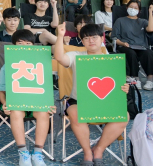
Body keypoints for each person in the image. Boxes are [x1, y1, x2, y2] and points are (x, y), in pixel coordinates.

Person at [53, 23, 130, 165]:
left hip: (106, 101)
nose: (91, 41)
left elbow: (118, 84)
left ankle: (99, 149)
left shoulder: (112, 60)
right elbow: (59, 57)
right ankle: (87, 152)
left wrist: (124, 88)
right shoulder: (76, 56)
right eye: (86, 38)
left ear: (102, 39)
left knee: (124, 116)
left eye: (94, 37)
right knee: (75, 114)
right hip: (79, 100)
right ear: (82, 41)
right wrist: (60, 36)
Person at [0, 30, 54, 166]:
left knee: (44, 112)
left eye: (28, 43)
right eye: (20, 43)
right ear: (13, 45)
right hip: (15, 102)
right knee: (16, 112)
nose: (24, 46)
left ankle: (37, 154)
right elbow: (1, 90)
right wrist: (4, 103)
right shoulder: (7, 66)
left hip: (36, 102)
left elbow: (46, 89)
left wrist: (49, 103)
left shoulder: (41, 65)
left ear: (33, 46)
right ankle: (23, 153)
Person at [113, 0, 153, 90]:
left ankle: (150, 80)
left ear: (139, 11)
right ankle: (135, 78)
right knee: (131, 53)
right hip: (126, 46)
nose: (133, 9)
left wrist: (150, 12)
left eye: (136, 8)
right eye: (131, 7)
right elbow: (114, 38)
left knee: (149, 53)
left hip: (141, 47)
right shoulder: (120, 20)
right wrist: (123, 43)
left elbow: (150, 29)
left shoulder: (143, 21)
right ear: (127, 8)